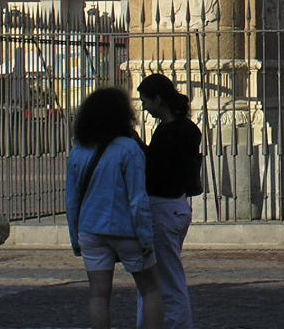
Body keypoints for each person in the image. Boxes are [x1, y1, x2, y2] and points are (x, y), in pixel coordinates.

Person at [67, 87, 163, 329]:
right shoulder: (129, 149)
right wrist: (146, 237)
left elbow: (72, 198)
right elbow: (137, 199)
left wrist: (75, 237)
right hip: (126, 229)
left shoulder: (79, 149)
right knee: (150, 289)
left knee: (98, 294)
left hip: (90, 229)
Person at [138, 74, 203, 329]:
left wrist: (138, 146)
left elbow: (156, 168)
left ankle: (178, 324)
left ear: (158, 99)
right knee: (162, 276)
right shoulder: (188, 128)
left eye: (146, 100)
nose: (144, 106)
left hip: (163, 206)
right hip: (178, 205)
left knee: (167, 278)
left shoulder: (168, 132)